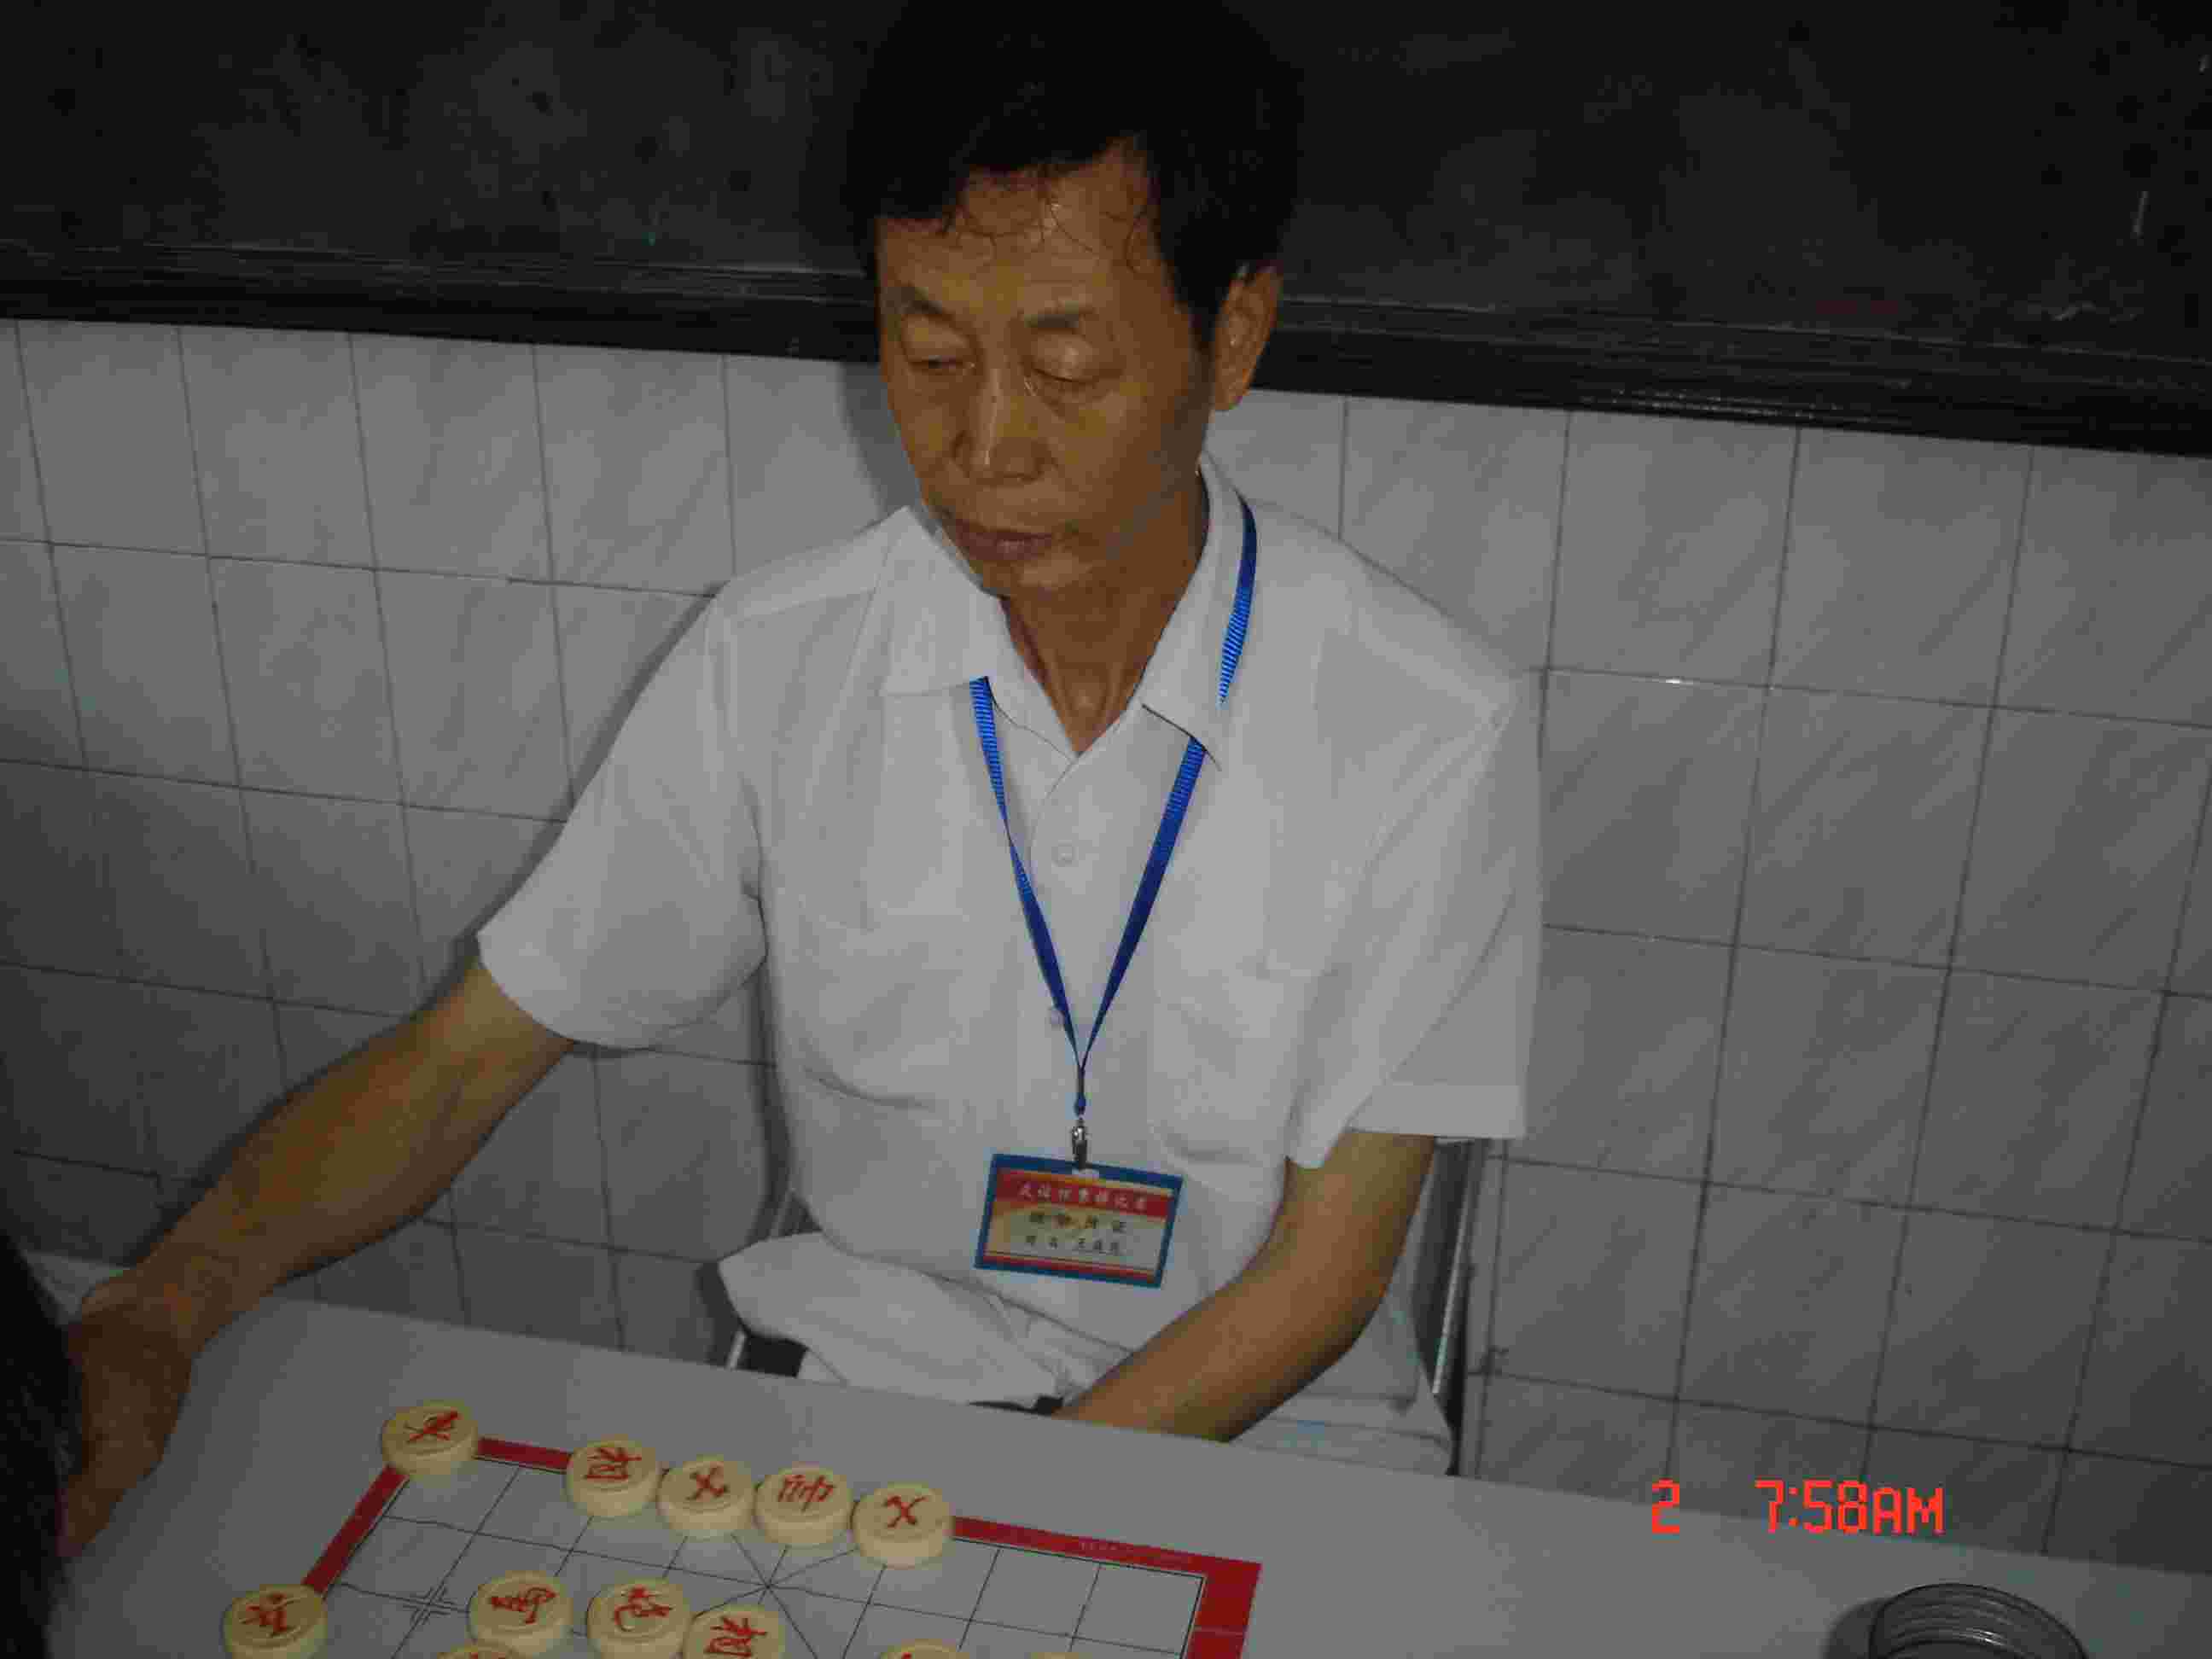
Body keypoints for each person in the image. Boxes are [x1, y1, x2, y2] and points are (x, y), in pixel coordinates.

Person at [57, 0, 1540, 1590]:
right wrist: (161, 1308)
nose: (984, 445)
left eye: (1066, 364)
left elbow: (1322, 1280)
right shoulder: (780, 662)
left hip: (1274, 1451)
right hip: (875, 1414)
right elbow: (462, 1059)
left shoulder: (1421, 724)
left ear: (1234, 335)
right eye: (928, 354)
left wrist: (991, 1549)